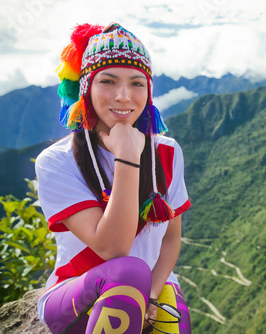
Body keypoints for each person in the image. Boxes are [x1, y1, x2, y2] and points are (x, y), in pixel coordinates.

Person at [35, 22, 192, 334]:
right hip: (77, 295)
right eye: (108, 81)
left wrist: (149, 295)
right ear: (85, 89)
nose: (124, 97)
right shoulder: (57, 161)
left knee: (170, 323)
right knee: (128, 271)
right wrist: (128, 156)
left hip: (153, 286)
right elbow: (114, 249)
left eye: (137, 84)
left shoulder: (168, 153)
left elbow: (171, 238)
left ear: (148, 92)